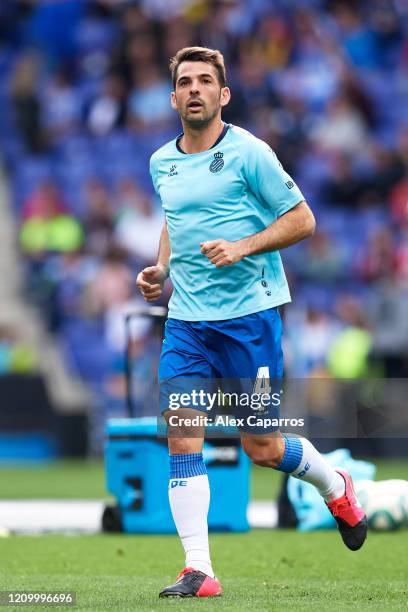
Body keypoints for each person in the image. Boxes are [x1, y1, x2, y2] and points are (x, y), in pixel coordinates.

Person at [136, 46, 367, 599]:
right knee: (182, 433)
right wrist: (162, 268)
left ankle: (335, 483)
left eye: (205, 82)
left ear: (223, 94)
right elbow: (175, 219)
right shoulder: (160, 161)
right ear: (173, 98)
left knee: (260, 448)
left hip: (249, 320)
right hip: (187, 321)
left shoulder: (250, 153)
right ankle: (199, 569)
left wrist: (244, 246)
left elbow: (303, 220)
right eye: (185, 82)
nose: (194, 89)